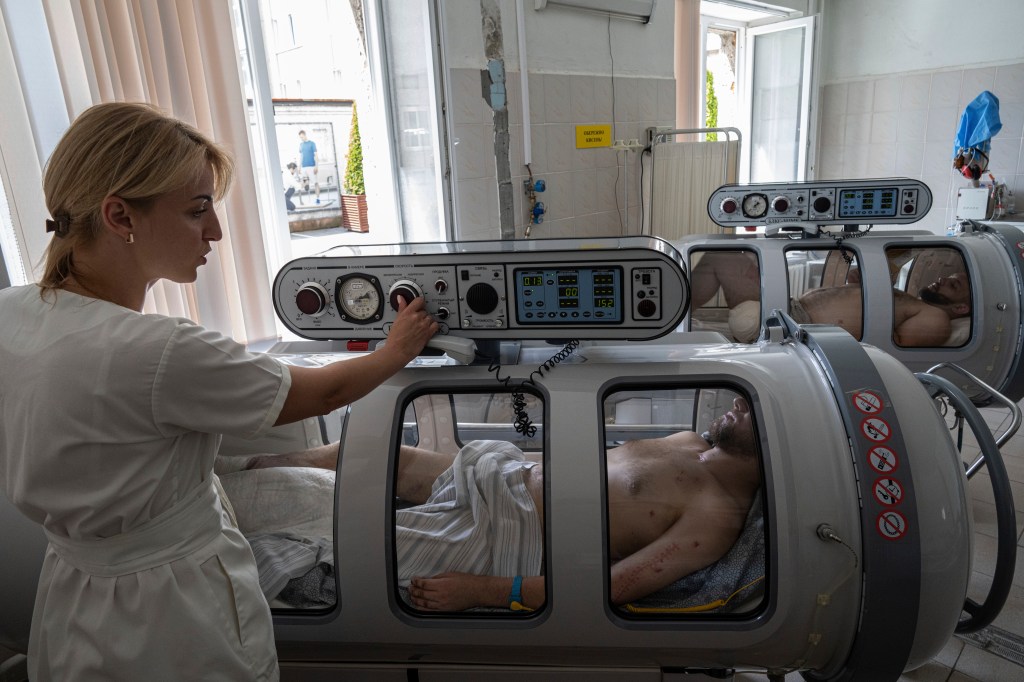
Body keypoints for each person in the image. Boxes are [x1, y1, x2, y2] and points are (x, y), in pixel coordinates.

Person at [0, 102, 437, 681]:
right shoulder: (157, 350)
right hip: (171, 610)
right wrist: (397, 350)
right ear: (119, 215)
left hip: (73, 598)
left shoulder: (12, 312)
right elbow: (323, 391)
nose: (216, 231)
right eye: (197, 209)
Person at [247, 396, 761, 612]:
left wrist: (482, 590)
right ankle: (234, 476)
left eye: (751, 409)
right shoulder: (689, 440)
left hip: (510, 538)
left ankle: (218, 534)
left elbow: (608, 589)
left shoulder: (713, 519)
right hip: (503, 478)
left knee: (328, 539)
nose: (737, 403)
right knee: (355, 455)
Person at [691, 251, 971, 346]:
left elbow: (886, 346)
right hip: (793, 308)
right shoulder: (914, 303)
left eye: (954, 284)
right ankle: (676, 315)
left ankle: (672, 320)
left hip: (795, 325)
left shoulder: (935, 319)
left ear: (961, 307)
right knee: (728, 257)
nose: (943, 278)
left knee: (722, 259)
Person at [296, 129, 320, 204]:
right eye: (300, 137)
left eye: (302, 137)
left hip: (311, 166)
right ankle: (307, 185)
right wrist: (299, 167)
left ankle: (317, 198)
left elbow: (316, 155)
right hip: (304, 167)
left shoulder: (312, 143)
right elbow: (301, 156)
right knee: (305, 182)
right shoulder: (301, 145)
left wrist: (316, 166)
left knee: (315, 183)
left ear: (305, 135)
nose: (301, 138)